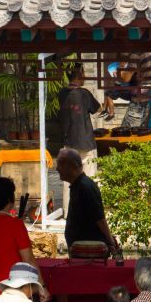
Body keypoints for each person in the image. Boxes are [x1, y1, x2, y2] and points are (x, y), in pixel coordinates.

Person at [0, 177, 48, 302]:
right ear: (9, 198)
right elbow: (29, 259)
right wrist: (42, 286)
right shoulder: (15, 224)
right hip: (14, 288)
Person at [56, 148, 119, 254]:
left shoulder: (85, 187)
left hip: (90, 253)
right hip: (82, 252)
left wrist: (111, 242)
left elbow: (100, 219)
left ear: (73, 166)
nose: (57, 169)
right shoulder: (77, 185)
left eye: (60, 164)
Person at [57, 64, 101, 215]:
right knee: (88, 176)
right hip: (85, 141)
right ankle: (90, 210)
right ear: (79, 74)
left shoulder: (62, 93)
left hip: (68, 140)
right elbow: (97, 108)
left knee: (67, 176)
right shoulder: (84, 94)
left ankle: (68, 211)